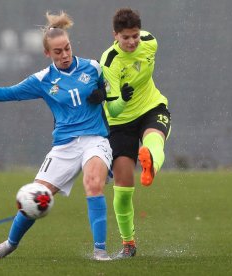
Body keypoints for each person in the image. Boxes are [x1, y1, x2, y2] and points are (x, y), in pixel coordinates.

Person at [0, 11, 113, 261]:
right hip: (64, 146)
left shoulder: (93, 67)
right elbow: (8, 93)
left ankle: (100, 251)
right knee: (34, 197)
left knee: (92, 183)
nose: (65, 54)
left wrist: (104, 93)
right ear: (47, 53)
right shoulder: (42, 79)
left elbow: (113, 92)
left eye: (67, 48)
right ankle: (9, 244)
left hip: (95, 139)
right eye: (58, 51)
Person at [98, 8, 172, 258]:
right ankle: (128, 243)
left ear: (140, 33)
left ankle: (149, 162)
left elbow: (145, 48)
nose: (131, 42)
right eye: (125, 37)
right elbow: (114, 109)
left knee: (155, 139)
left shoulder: (150, 42)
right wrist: (123, 99)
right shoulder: (109, 61)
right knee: (123, 184)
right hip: (121, 121)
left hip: (152, 106)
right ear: (115, 35)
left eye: (135, 36)